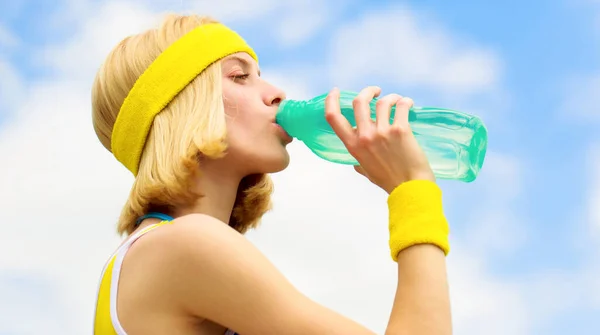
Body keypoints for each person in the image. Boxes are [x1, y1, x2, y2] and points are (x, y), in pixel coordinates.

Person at [91, 13, 452, 335]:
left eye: (259, 75)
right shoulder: (183, 245)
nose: (276, 92)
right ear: (179, 106)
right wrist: (413, 190)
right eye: (238, 76)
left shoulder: (156, 251)